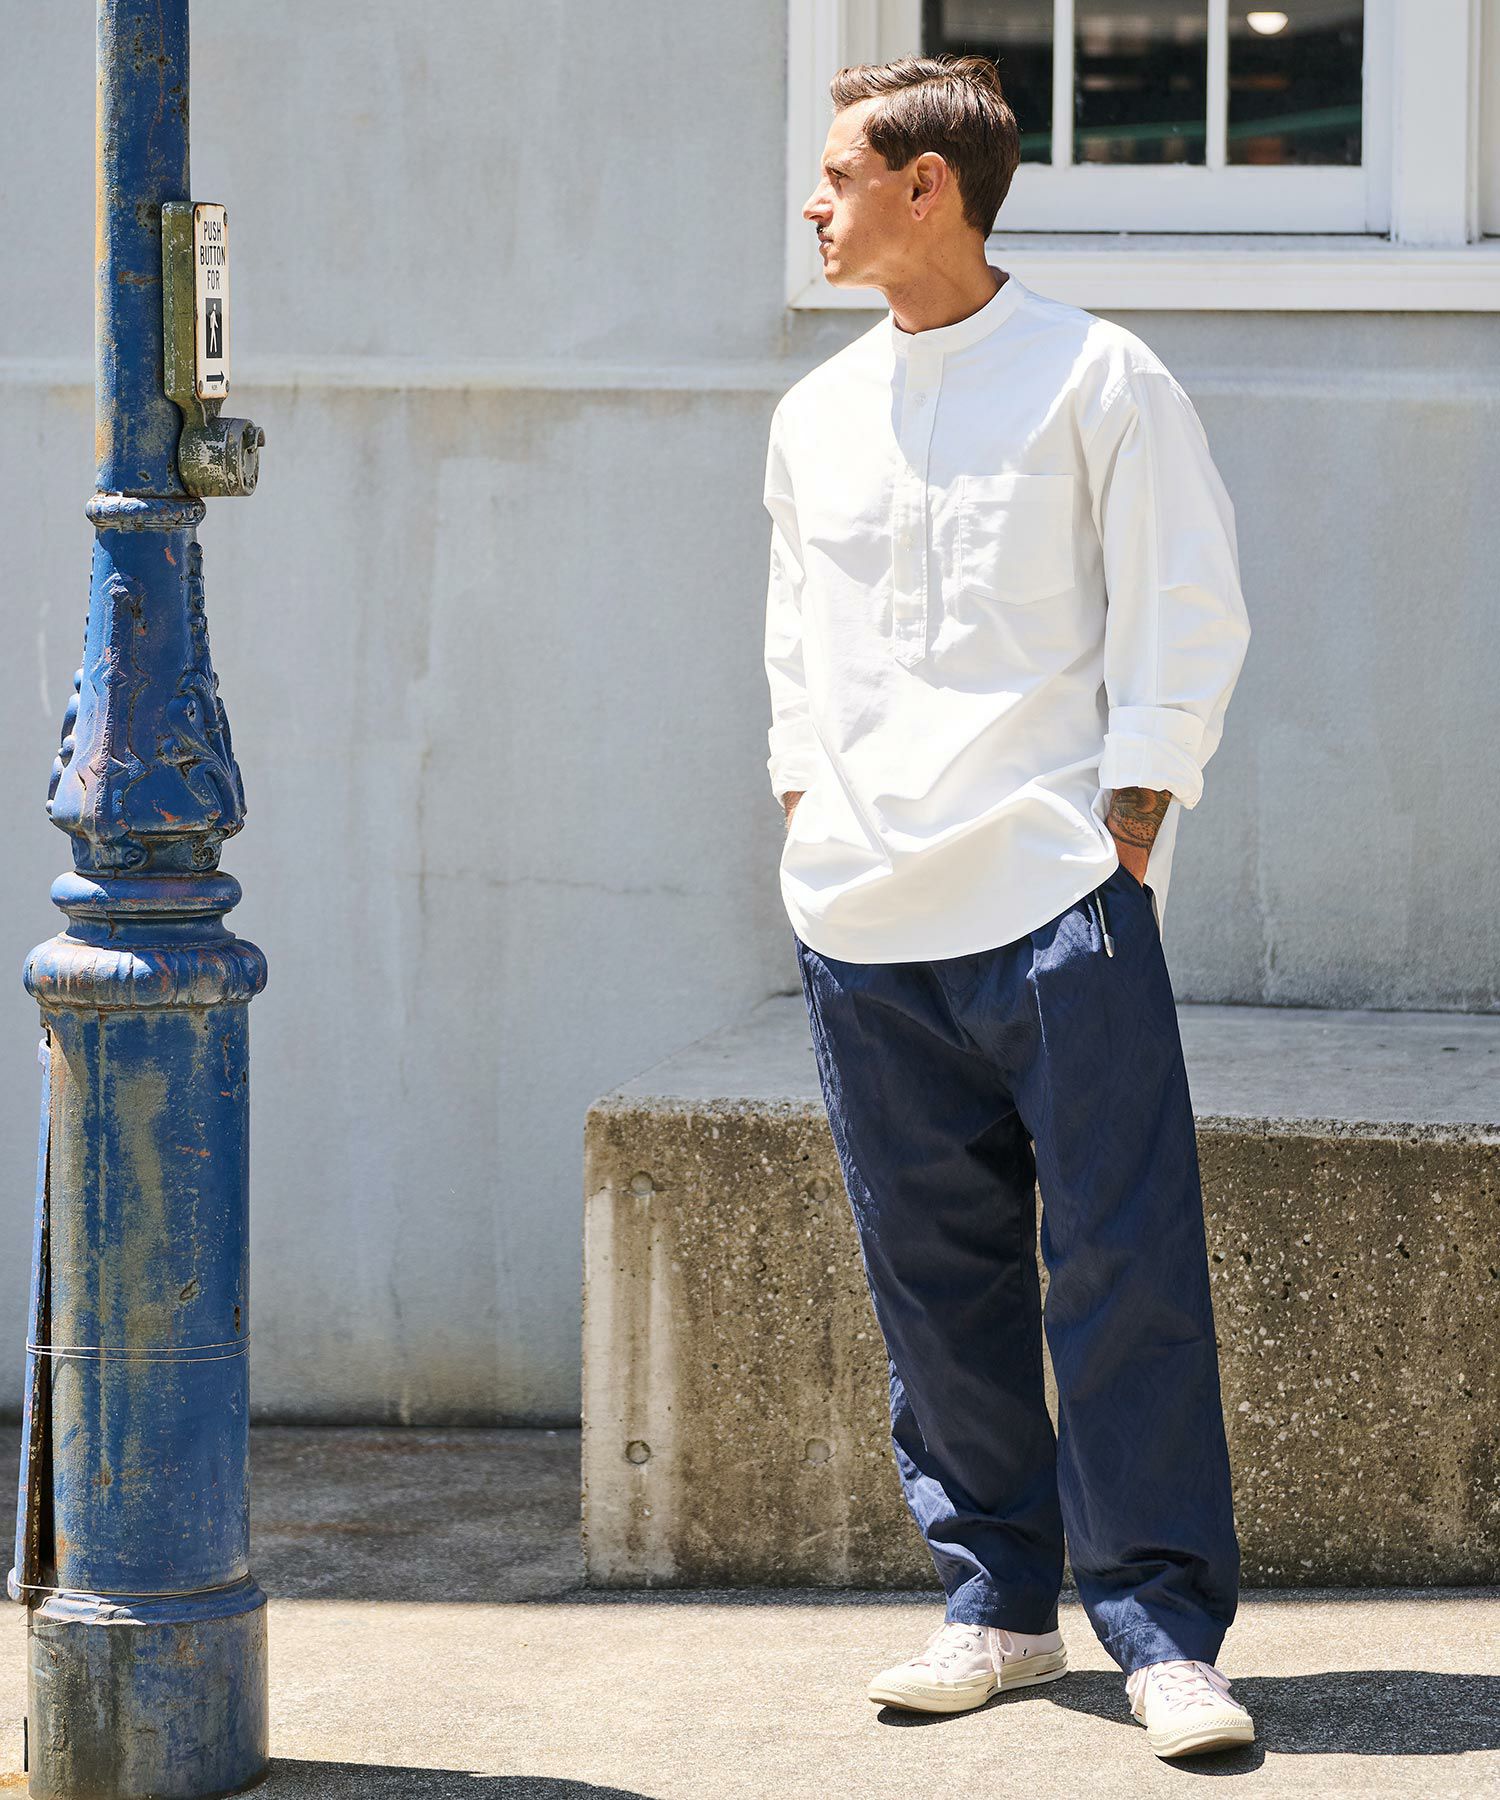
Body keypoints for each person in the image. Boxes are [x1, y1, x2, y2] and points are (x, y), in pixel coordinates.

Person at [761, 55, 1254, 1763]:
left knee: (1123, 1267)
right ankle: (998, 1607)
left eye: (840, 175)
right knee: (933, 1282)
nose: (813, 204)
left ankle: (1165, 1634)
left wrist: (1133, 819)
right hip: (862, 914)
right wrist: (807, 810)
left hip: (1058, 898)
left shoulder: (1097, 375)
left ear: (930, 189)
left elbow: (1187, 607)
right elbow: (795, 645)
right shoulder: (814, 414)